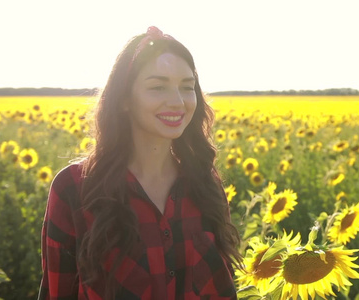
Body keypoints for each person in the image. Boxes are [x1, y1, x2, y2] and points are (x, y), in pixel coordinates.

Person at [38, 26, 242, 299]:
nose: (178, 101)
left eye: (187, 87)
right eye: (158, 87)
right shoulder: (75, 189)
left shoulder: (205, 184)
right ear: (123, 99)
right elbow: (56, 292)